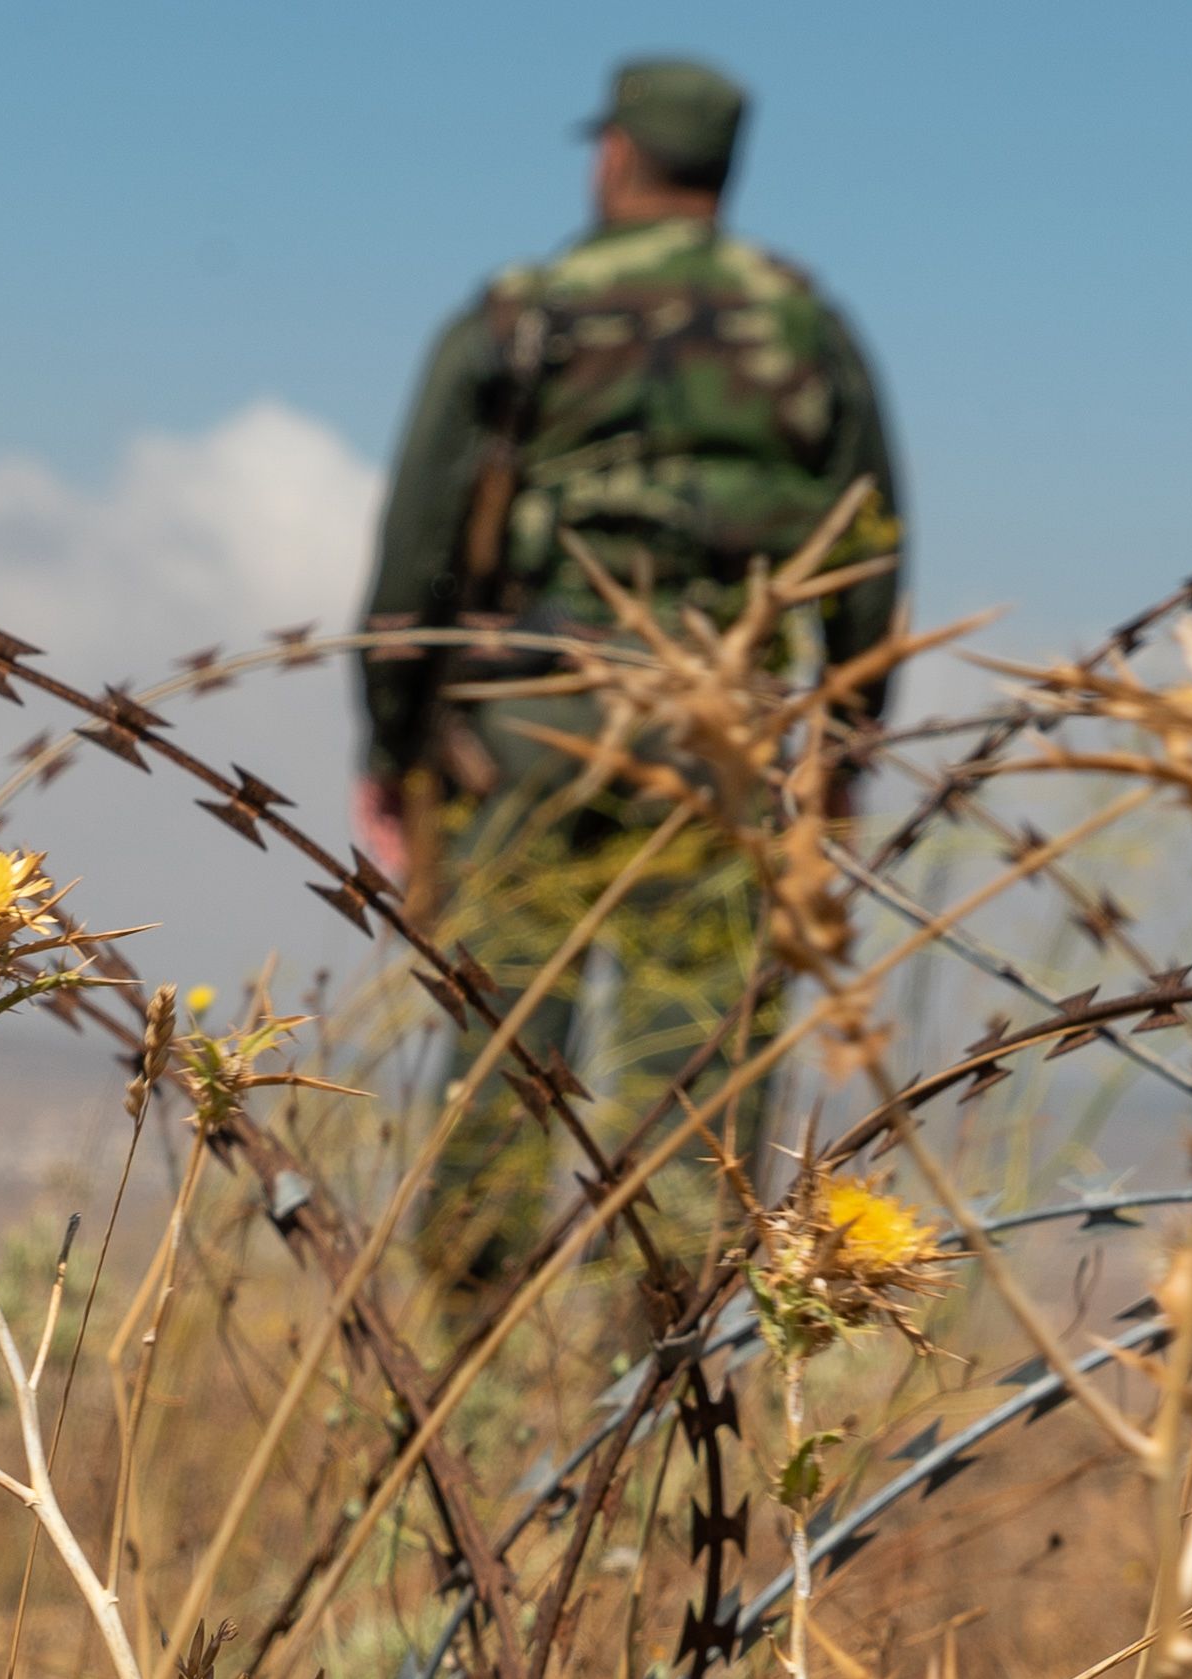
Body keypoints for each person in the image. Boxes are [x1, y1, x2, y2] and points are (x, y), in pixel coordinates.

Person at [356, 56, 903, 1306]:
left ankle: (467, 1365)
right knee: (697, 1080)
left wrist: (393, 750)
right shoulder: (808, 325)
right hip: (722, 739)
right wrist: (846, 758)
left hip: (525, 733)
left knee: (499, 1045)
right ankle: (654, 1404)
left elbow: (416, 555)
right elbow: (872, 559)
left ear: (613, 158)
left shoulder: (520, 312)